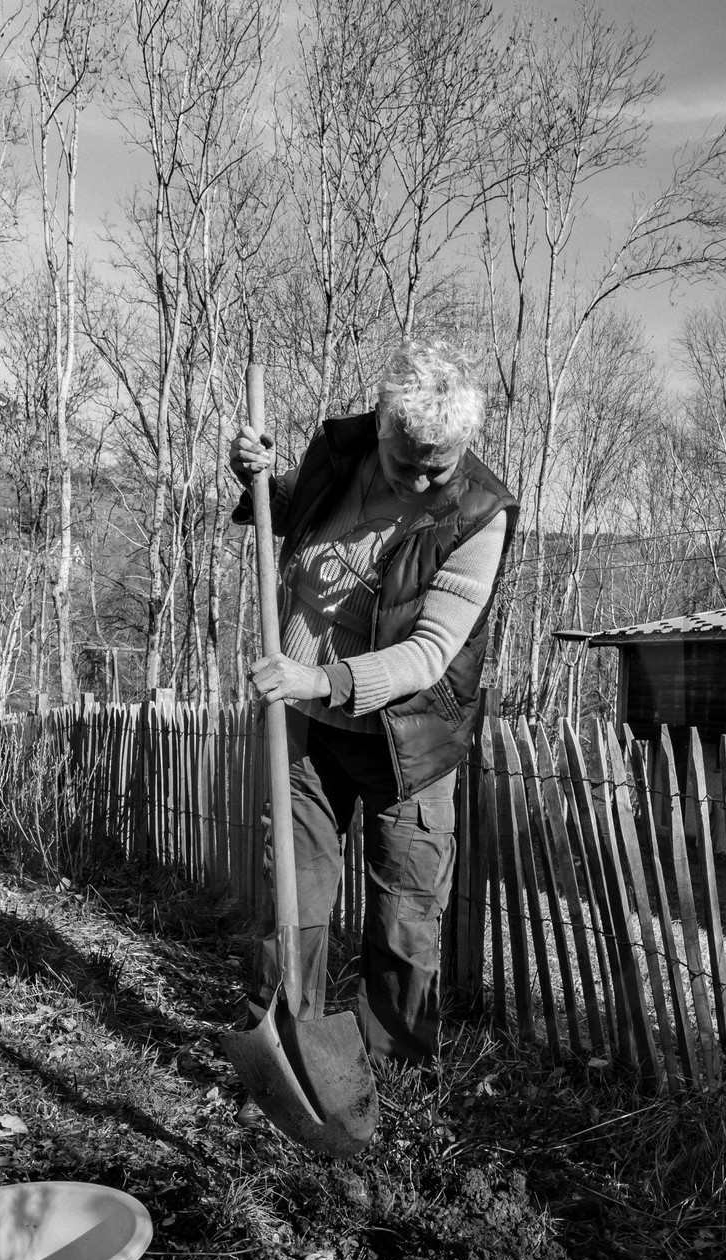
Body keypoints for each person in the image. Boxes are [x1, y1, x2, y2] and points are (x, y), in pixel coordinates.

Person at [229, 340, 518, 1073]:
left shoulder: (480, 514)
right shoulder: (344, 452)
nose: (422, 481)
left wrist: (318, 680)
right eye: (406, 464)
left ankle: (390, 1072)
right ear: (384, 429)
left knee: (405, 913)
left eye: (439, 466)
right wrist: (258, 475)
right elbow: (297, 512)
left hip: (407, 741)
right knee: (292, 896)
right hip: (306, 729)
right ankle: (288, 1051)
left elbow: (428, 655)